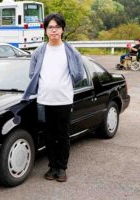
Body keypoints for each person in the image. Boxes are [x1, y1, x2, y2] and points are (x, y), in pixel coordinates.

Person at [22, 13, 84, 182]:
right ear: (46, 30)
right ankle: (52, 166)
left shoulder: (70, 51)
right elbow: (32, 74)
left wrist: (64, 86)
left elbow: (79, 75)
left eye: (57, 27)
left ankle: (62, 168)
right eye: (50, 27)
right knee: (49, 136)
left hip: (64, 100)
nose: (54, 30)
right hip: (44, 100)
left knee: (63, 135)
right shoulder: (39, 52)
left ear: (63, 29)